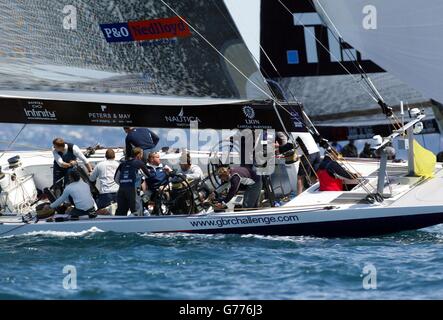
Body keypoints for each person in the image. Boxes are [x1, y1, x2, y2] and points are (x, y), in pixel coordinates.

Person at [114, 147, 152, 216]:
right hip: (133, 189)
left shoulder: (122, 164)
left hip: (122, 189)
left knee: (121, 212)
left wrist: (124, 183)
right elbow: (148, 175)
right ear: (138, 155)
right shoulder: (139, 163)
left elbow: (116, 178)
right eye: (142, 154)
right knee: (136, 211)